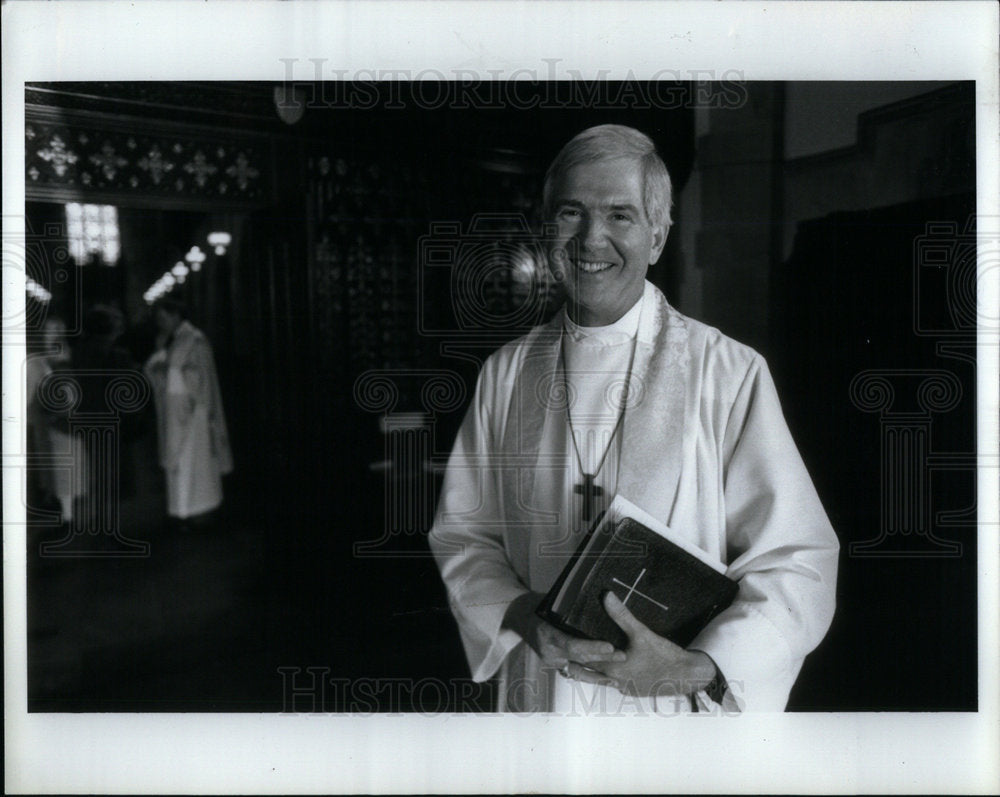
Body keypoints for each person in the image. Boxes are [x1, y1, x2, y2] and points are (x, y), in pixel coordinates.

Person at [428, 125, 839, 713]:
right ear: (549, 228)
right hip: (542, 695)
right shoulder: (507, 373)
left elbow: (796, 560)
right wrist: (522, 615)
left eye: (620, 215)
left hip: (666, 712)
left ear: (658, 235)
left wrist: (700, 667)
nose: (592, 239)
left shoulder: (726, 373)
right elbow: (464, 535)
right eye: (571, 212)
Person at [143, 298, 232, 527]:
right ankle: (181, 510)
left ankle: (199, 512)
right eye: (158, 319)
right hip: (177, 413)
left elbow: (198, 378)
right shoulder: (172, 340)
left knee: (193, 465)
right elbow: (156, 369)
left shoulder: (195, 340)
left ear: (176, 315)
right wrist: (161, 367)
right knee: (181, 465)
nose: (160, 323)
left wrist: (170, 371)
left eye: (163, 318)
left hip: (195, 415)